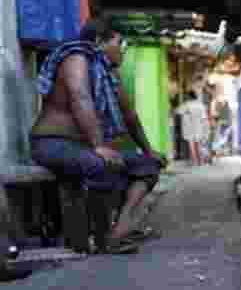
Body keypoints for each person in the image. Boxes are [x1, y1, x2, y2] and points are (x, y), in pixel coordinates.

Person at [30, 18, 166, 254]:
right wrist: (99, 145)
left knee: (148, 166)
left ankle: (121, 229)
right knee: (101, 164)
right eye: (119, 42)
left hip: (84, 148)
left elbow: (129, 114)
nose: (123, 49)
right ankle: (102, 239)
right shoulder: (76, 59)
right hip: (51, 144)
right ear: (99, 42)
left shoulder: (107, 72)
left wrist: (148, 150)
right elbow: (79, 98)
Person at [175, 90, 210, 167]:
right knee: (198, 145)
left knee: (192, 145)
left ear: (189, 96)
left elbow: (177, 111)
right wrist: (206, 129)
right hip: (199, 127)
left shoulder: (187, 104)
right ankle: (200, 161)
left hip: (190, 127)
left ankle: (194, 161)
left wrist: (186, 114)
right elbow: (204, 118)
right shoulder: (201, 105)